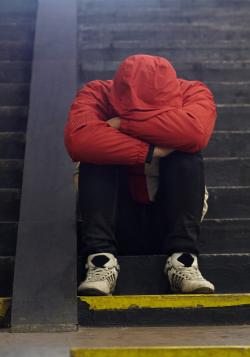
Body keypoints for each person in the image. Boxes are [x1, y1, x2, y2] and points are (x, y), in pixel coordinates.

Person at [64, 54, 217, 296]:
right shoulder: (96, 92)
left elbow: (195, 134)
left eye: (151, 109)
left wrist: (122, 123)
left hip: (169, 220)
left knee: (187, 154)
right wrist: (151, 150)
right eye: (136, 107)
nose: (143, 111)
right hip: (114, 221)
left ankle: (183, 261)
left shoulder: (193, 92)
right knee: (95, 153)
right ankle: (100, 261)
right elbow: (79, 141)